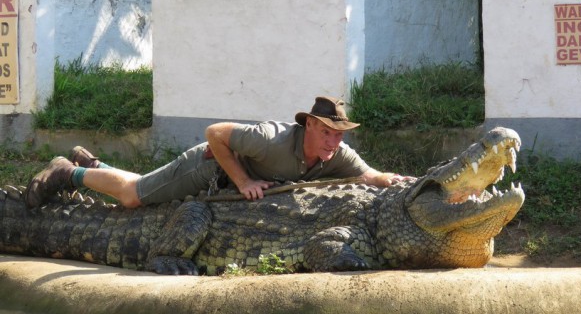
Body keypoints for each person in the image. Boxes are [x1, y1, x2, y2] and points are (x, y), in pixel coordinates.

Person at [24, 96, 413, 209]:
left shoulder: (334, 154)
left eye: (339, 135)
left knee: (139, 187)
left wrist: (391, 180)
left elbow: (367, 175)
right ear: (310, 124)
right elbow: (214, 133)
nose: (334, 141)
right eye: (328, 132)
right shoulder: (271, 138)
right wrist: (243, 180)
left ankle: (92, 164)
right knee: (133, 196)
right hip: (206, 167)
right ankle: (66, 171)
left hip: (221, 175)